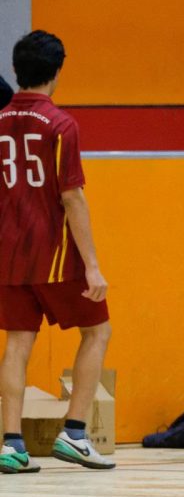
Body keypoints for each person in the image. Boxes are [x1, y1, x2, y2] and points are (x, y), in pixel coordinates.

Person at [0, 31, 115, 473]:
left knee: (17, 343)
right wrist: (92, 265)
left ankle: (11, 444)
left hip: (8, 255)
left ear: (16, 70)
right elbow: (72, 197)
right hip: (53, 255)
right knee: (97, 331)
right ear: (57, 71)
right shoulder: (61, 125)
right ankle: (76, 433)